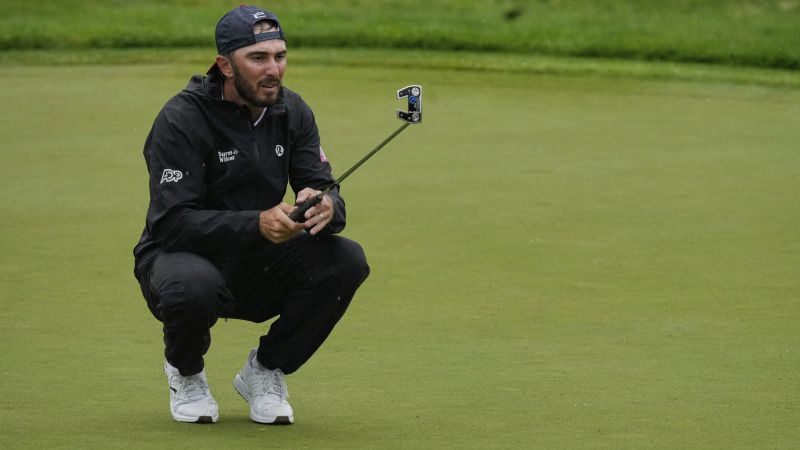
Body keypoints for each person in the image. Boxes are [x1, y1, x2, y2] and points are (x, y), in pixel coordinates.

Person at [132, 5, 370, 425]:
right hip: (183, 257)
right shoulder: (181, 119)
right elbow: (170, 225)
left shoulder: (292, 111)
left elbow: (323, 183)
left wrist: (328, 206)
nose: (273, 69)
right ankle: (186, 373)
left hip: (259, 259)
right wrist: (255, 222)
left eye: (279, 56)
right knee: (191, 286)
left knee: (346, 259)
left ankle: (264, 370)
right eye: (257, 58)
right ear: (225, 65)